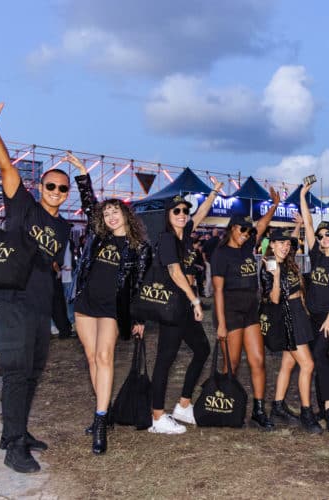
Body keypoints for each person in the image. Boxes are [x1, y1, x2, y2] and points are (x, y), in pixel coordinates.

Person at [0, 89, 71, 473]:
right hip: (12, 299)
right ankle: (14, 447)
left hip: (39, 303)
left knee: (32, 371)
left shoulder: (63, 227)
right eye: (51, 185)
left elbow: (51, 269)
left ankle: (17, 430)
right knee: (16, 372)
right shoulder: (23, 206)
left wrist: (57, 312)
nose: (57, 192)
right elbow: (5, 165)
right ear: (41, 187)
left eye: (63, 189)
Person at [67, 153, 150, 453]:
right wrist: (81, 174)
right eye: (107, 213)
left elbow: (139, 285)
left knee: (104, 357)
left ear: (126, 215)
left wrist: (139, 318)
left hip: (114, 309)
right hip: (86, 304)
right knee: (91, 358)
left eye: (116, 211)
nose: (111, 216)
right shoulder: (98, 238)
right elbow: (89, 202)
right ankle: (103, 407)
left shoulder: (139, 248)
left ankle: (101, 420)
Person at [133, 187, 220, 434]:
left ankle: (183, 405)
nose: (182, 214)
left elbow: (200, 214)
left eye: (184, 210)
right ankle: (158, 417)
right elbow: (174, 272)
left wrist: (213, 194)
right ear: (168, 214)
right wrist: (195, 300)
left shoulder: (184, 235)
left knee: (202, 349)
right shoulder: (168, 239)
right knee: (165, 361)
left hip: (182, 307)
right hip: (172, 307)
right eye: (176, 211)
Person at [211, 189, 279, 431]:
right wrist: (220, 324)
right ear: (232, 228)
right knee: (231, 365)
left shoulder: (249, 243)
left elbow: (262, 225)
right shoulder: (220, 253)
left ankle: (259, 411)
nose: (246, 234)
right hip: (229, 314)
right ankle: (226, 405)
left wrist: (275, 204)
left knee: (258, 361)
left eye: (248, 231)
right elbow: (217, 290)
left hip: (251, 312)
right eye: (242, 230)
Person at [293, 185, 329, 432]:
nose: (324, 238)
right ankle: (325, 404)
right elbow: (308, 223)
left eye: (328, 234)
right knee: (321, 360)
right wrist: (302, 196)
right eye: (320, 236)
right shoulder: (317, 255)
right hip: (313, 315)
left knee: (318, 356)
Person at [260, 228, 322, 433]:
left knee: (288, 363)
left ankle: (278, 406)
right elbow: (275, 299)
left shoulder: (288, 261)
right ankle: (307, 412)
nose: (285, 247)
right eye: (281, 243)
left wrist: (296, 228)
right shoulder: (270, 264)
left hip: (298, 314)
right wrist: (276, 277)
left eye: (288, 244)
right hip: (287, 316)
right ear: (272, 245)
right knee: (308, 364)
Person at [201, 228, 220, 297]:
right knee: (215, 277)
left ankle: (207, 293)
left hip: (209, 261)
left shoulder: (208, 241)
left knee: (209, 278)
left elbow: (203, 252)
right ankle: (211, 292)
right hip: (217, 262)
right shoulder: (220, 241)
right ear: (217, 233)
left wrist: (205, 260)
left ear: (213, 233)